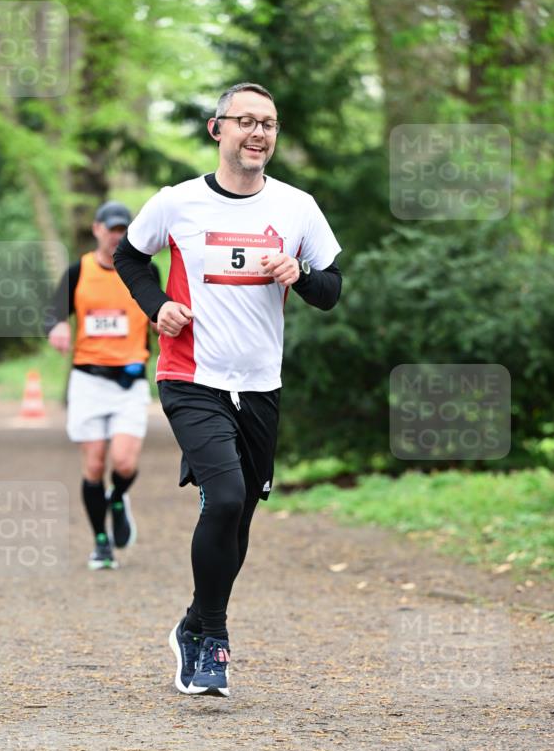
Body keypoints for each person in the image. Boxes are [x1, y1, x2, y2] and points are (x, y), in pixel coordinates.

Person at [114, 83, 342, 696]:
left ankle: (191, 621)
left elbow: (331, 289)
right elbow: (130, 259)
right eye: (245, 121)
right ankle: (212, 638)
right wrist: (157, 304)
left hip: (261, 381)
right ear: (219, 130)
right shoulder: (177, 202)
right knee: (226, 495)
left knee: (240, 513)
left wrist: (303, 273)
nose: (258, 133)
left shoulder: (297, 207)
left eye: (268, 123)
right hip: (191, 374)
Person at [46, 200, 157, 570]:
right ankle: (100, 542)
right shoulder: (79, 271)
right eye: (111, 229)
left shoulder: (144, 271)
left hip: (129, 381)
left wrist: (161, 321)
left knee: (124, 463)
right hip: (89, 380)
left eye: (123, 230)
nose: (116, 237)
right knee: (94, 465)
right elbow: (52, 313)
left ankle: (118, 498)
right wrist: (58, 326)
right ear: (96, 230)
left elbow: (158, 310)